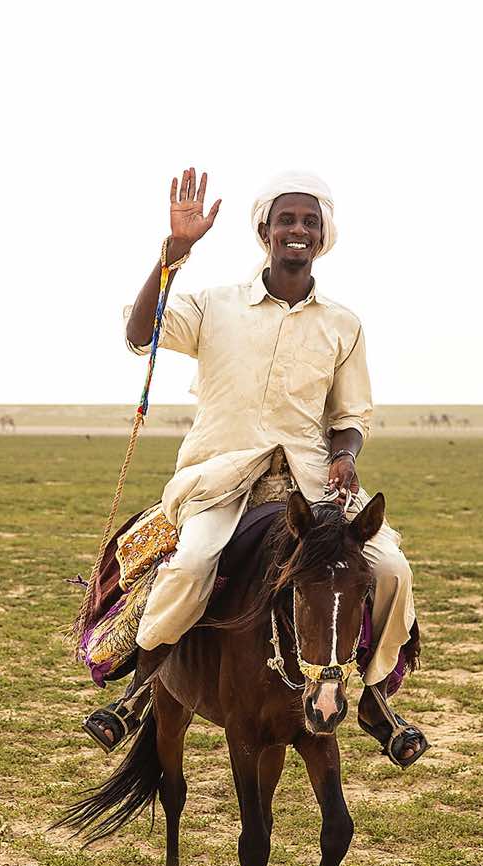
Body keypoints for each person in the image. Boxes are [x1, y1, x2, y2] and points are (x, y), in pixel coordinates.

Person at [83, 167, 428, 768]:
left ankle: (374, 697)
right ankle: (141, 689)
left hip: (310, 487)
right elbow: (141, 333)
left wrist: (344, 456)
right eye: (286, 219)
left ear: (323, 235)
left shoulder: (342, 324)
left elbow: (351, 414)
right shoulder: (214, 306)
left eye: (310, 221)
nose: (298, 230)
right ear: (265, 231)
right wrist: (173, 253)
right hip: (219, 480)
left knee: (391, 568)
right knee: (192, 563)